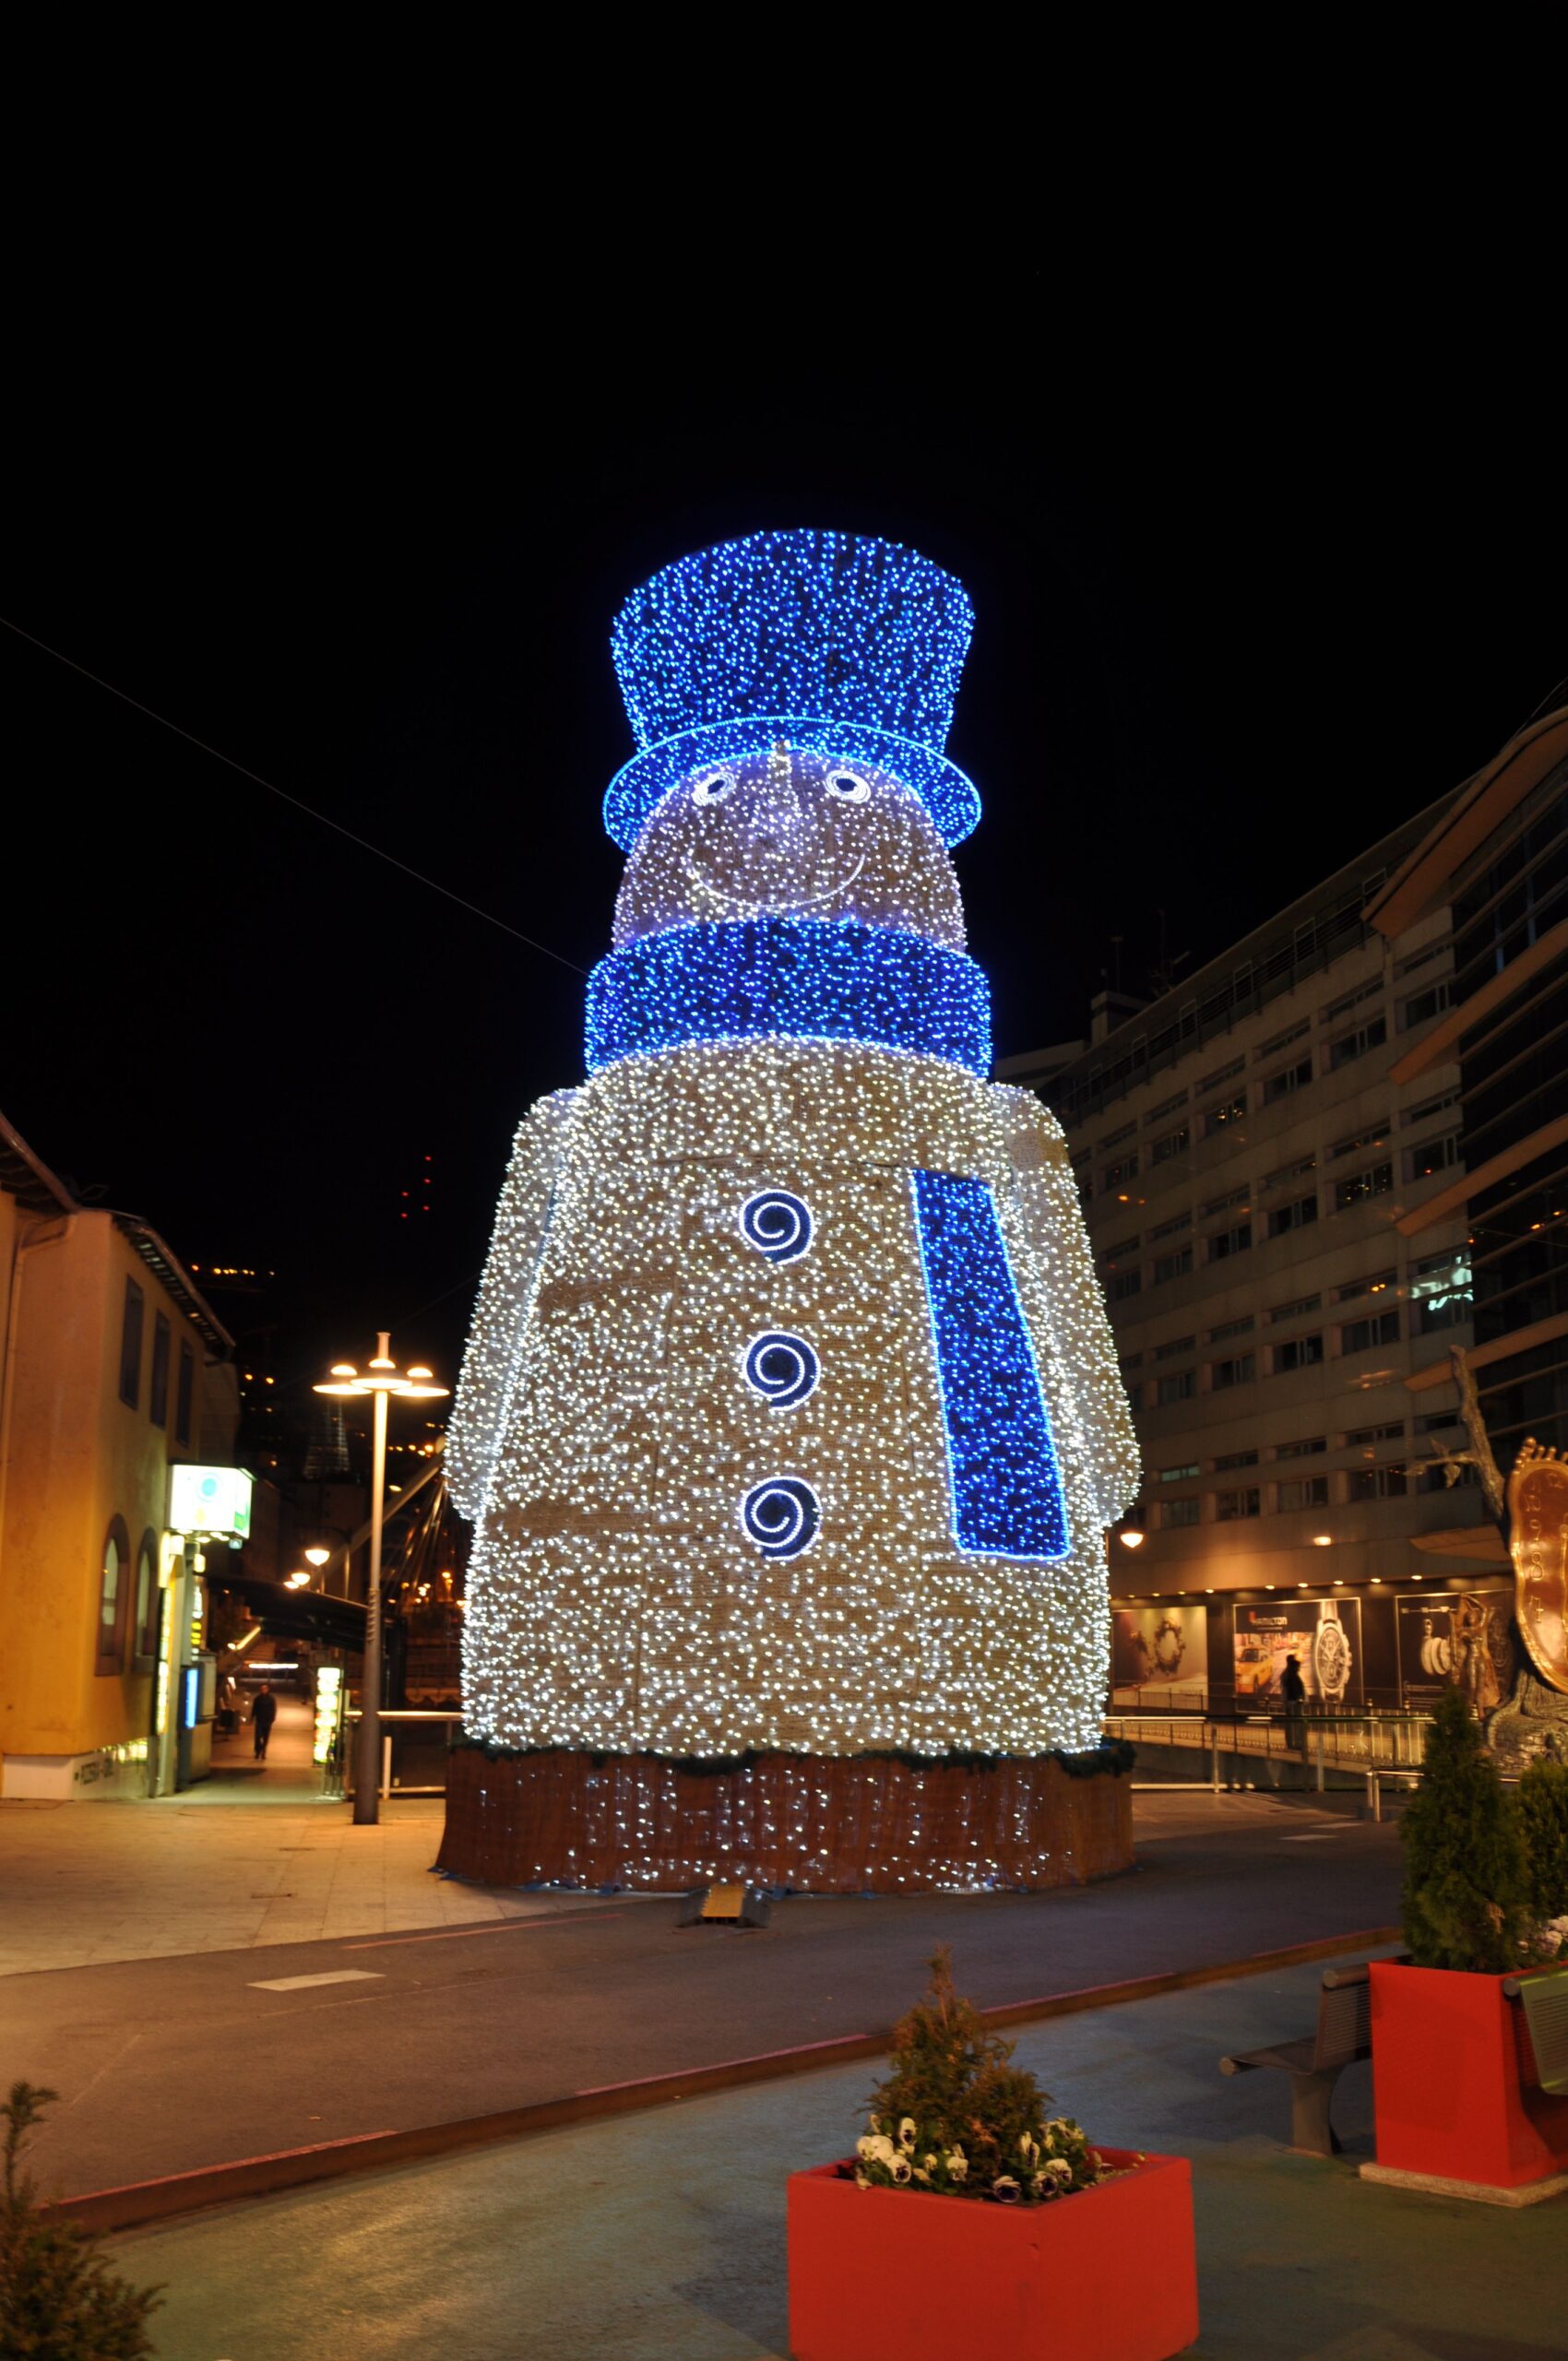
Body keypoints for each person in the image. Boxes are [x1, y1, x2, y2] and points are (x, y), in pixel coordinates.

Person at [1279, 1654, 1307, 1758]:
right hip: (1293, 1704)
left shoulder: (1287, 1675)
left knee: (1292, 1725)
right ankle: (1293, 1744)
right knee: (1293, 1725)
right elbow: (1290, 1690)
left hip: (1292, 1703)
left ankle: (1293, 1743)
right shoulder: (1290, 1676)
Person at [252, 1681, 278, 1762]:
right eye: (262, 1689)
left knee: (266, 1738)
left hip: (267, 1721)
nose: (263, 1690)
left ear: (267, 1689)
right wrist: (252, 1717)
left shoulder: (271, 1699)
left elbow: (273, 1709)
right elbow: (254, 1709)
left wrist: (272, 1718)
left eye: (265, 1689)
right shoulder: (257, 1699)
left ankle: (263, 1752)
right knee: (258, 1737)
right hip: (259, 1720)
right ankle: (257, 1751)